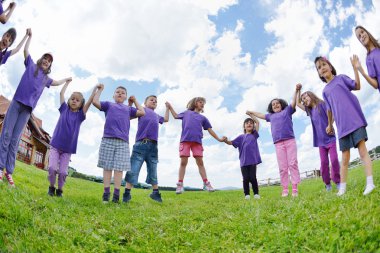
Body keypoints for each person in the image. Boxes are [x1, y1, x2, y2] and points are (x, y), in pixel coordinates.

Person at [0, 28, 72, 187]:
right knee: (6, 133)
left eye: (49, 61)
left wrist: (66, 80)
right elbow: (25, 50)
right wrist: (29, 37)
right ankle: (0, 168)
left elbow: (57, 83)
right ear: (41, 59)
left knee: (15, 138)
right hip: (17, 102)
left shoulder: (46, 79)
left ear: (50, 65)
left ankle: (9, 172)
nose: (46, 61)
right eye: (45, 58)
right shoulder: (31, 65)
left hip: (27, 110)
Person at [315, 56, 375, 196]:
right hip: (342, 127)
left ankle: (370, 183)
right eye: (319, 67)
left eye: (324, 64)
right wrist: (330, 125)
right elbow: (330, 110)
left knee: (362, 152)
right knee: (345, 158)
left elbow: (357, 86)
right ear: (319, 73)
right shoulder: (325, 91)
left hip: (355, 121)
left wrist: (355, 68)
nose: (322, 68)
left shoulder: (341, 78)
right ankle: (342, 188)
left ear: (330, 66)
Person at [92, 84, 145, 203]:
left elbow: (142, 112)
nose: (120, 93)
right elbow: (95, 102)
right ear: (113, 95)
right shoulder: (109, 105)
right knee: (107, 167)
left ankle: (116, 195)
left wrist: (135, 100)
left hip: (123, 142)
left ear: (126, 97)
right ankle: (106, 194)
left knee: (119, 169)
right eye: (118, 92)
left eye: (123, 92)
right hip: (108, 139)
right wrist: (100, 90)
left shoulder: (128, 109)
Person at [47, 80, 97, 197]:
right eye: (72, 98)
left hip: (67, 149)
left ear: (80, 104)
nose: (74, 101)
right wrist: (66, 82)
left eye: (77, 100)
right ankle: (51, 187)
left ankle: (59, 190)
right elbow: (61, 94)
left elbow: (89, 102)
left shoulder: (80, 116)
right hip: (55, 145)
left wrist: (95, 90)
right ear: (69, 101)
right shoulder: (64, 109)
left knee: (63, 172)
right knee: (52, 168)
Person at [166, 97, 224, 194]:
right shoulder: (186, 113)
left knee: (200, 163)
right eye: (200, 102)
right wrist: (170, 107)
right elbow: (175, 116)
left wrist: (219, 139)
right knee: (183, 162)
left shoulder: (203, 118)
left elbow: (210, 130)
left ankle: (206, 184)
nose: (202, 104)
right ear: (195, 103)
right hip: (185, 141)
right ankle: (180, 185)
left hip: (197, 142)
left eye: (203, 103)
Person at [249, 91, 300, 197]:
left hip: (290, 141)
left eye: (277, 103)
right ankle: (285, 189)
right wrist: (251, 112)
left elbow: (294, 102)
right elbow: (260, 115)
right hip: (278, 144)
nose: (275, 105)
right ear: (271, 108)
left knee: (292, 164)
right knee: (283, 167)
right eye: (273, 104)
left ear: (281, 104)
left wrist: (296, 90)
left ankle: (295, 188)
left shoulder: (287, 111)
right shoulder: (270, 116)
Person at [123, 95, 169, 203]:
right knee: (134, 169)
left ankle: (155, 193)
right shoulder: (141, 110)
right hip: (141, 144)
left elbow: (166, 119)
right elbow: (127, 114)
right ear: (145, 102)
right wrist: (132, 102)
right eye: (151, 100)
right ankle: (127, 194)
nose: (154, 101)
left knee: (153, 169)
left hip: (153, 146)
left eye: (156, 101)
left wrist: (168, 108)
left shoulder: (156, 116)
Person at [296, 84, 340, 191]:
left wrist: (330, 124)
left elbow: (332, 113)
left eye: (305, 97)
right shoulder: (309, 111)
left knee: (334, 160)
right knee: (324, 163)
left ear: (311, 95)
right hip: (320, 142)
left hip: (330, 138)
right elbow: (297, 103)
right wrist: (298, 91)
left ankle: (338, 181)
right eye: (303, 100)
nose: (304, 100)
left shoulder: (322, 104)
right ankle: (327, 184)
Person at [222, 112, 262, 200]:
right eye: (247, 123)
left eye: (251, 123)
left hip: (252, 161)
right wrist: (225, 140)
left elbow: (258, 122)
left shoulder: (254, 135)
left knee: (253, 177)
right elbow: (231, 142)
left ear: (253, 126)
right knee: (246, 178)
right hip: (243, 161)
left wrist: (251, 116)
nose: (249, 124)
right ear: (244, 127)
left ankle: (256, 194)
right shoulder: (241, 137)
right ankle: (246, 194)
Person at [354, 26, 380, 92]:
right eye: (359, 36)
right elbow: (376, 85)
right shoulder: (369, 59)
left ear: (367, 32)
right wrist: (362, 71)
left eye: (362, 32)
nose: (362, 36)